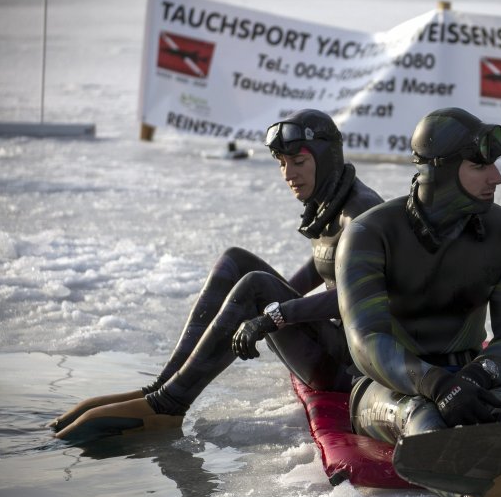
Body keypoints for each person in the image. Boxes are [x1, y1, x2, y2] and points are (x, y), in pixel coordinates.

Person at [49, 109, 384, 441]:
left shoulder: (360, 214)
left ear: (325, 159)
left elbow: (358, 298)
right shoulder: (331, 198)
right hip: (331, 343)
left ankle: (170, 404)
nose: (287, 174)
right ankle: (166, 384)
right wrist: (280, 296)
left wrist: (277, 310)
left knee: (257, 286)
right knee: (235, 261)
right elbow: (324, 262)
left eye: (298, 162)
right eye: (282, 163)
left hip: (349, 366)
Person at [335, 108, 501, 497]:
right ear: (439, 170)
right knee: (422, 417)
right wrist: (436, 383)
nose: (496, 177)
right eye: (480, 165)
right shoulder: (369, 234)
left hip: (470, 372)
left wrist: (477, 379)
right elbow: (366, 339)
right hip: (386, 388)